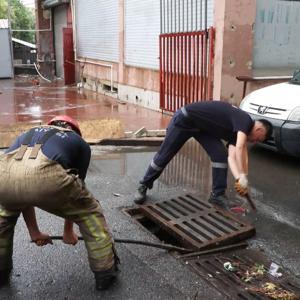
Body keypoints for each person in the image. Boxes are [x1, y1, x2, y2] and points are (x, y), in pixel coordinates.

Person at [0, 115, 119, 290]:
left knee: (5, 217)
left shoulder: (29, 132)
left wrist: (35, 232)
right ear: (75, 130)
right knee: (90, 213)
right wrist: (68, 231)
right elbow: (76, 191)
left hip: (4, 177)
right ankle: (105, 274)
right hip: (45, 177)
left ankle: (1, 274)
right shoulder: (78, 142)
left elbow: (22, 189)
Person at [134, 101, 272, 209]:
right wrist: (242, 175)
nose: (255, 141)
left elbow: (231, 156)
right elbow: (241, 147)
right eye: (258, 139)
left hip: (202, 128)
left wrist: (239, 179)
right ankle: (144, 185)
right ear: (259, 129)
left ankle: (217, 195)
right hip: (185, 120)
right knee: (164, 156)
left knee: (220, 156)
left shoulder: (238, 131)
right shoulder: (245, 120)